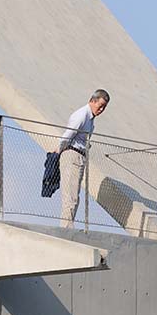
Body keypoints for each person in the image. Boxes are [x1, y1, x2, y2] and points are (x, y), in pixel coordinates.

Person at [57, 89, 110, 228]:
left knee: (74, 196)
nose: (102, 109)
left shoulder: (90, 118)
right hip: (72, 154)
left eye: (104, 107)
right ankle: (66, 228)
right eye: (100, 106)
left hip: (79, 156)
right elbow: (67, 135)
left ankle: (68, 225)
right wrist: (59, 151)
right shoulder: (82, 115)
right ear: (92, 101)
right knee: (71, 196)